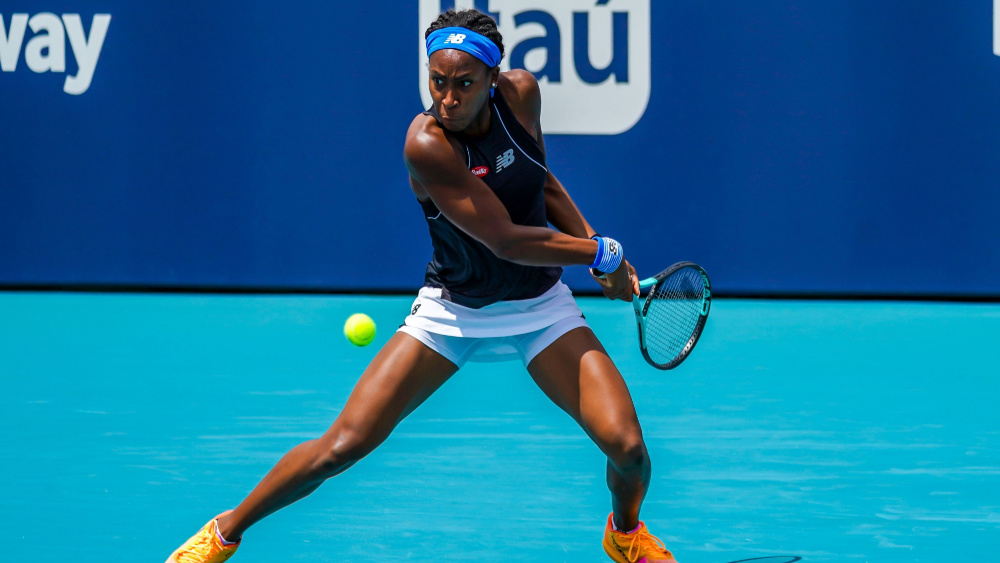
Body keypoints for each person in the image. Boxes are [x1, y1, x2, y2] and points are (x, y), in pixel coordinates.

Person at [166, 8, 678, 563]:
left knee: (628, 448)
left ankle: (624, 534)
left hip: (540, 307)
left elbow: (541, 181)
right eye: (438, 81)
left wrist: (596, 244)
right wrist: (601, 253)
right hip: (452, 310)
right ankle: (224, 531)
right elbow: (505, 239)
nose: (448, 98)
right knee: (342, 447)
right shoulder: (425, 144)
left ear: (492, 78)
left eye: (464, 84)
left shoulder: (523, 94)